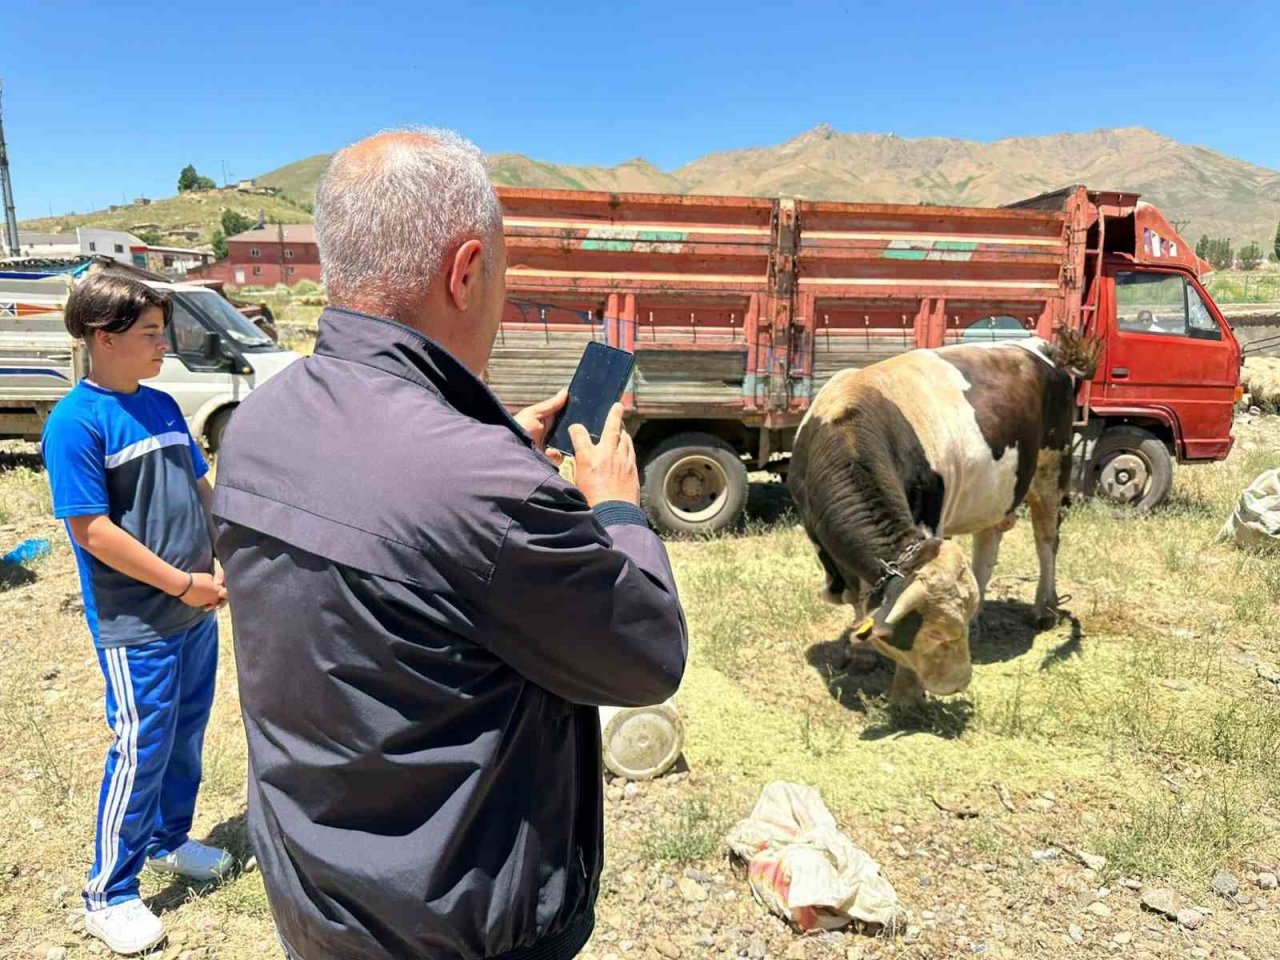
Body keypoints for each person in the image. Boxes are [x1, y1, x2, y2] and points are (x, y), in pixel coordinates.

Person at [212, 128, 688, 960]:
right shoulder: (488, 491)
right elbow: (646, 658)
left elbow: (389, 505)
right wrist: (616, 509)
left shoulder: (258, 426)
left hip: (316, 898)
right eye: (503, 277)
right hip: (456, 930)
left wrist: (495, 443)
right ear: (465, 272)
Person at [41, 273, 234, 955]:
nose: (163, 345)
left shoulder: (159, 404)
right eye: (151, 333)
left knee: (185, 734)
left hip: (194, 612)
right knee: (140, 748)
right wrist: (182, 584)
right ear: (104, 337)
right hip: (139, 626)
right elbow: (92, 531)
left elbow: (198, 482)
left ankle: (168, 840)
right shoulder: (74, 423)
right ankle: (110, 893)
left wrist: (224, 550)